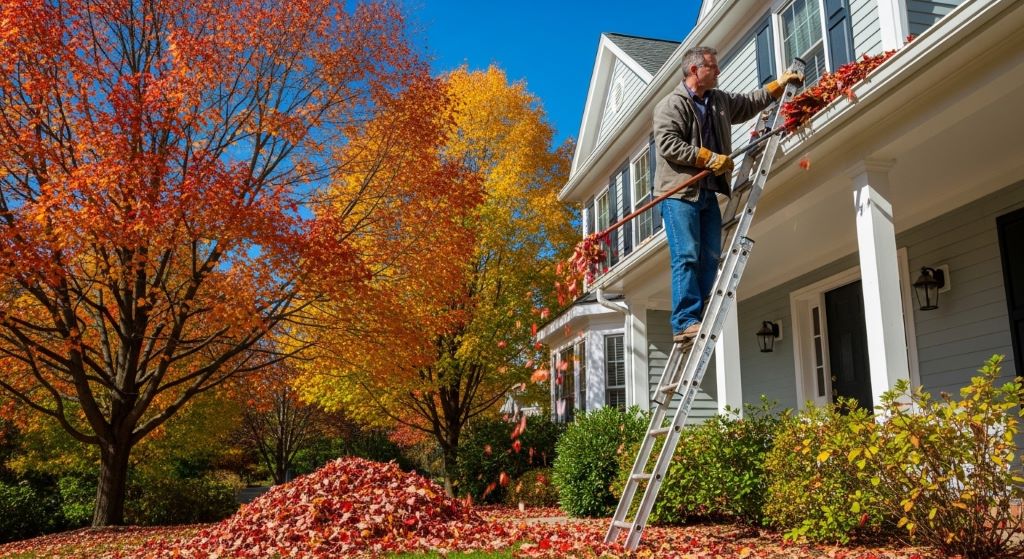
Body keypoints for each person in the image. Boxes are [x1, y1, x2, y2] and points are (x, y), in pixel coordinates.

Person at [653, 46, 802, 344]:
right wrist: (708, 158)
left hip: (708, 192)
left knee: (710, 256)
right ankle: (684, 322)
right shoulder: (672, 104)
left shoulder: (718, 101)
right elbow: (668, 144)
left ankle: (699, 315)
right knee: (687, 256)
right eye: (713, 66)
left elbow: (748, 104)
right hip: (679, 193)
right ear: (695, 70)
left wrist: (778, 85)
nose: (718, 71)